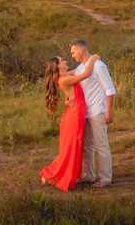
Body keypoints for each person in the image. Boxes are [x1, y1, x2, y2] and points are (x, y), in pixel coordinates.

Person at [39, 53, 99, 191]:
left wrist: (87, 59)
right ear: (59, 66)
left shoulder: (67, 76)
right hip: (74, 116)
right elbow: (84, 75)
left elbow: (80, 70)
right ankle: (48, 173)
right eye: (62, 61)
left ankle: (65, 174)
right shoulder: (63, 80)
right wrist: (94, 58)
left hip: (77, 113)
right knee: (70, 148)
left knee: (75, 146)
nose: (65, 61)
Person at [68, 39, 116, 187]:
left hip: (97, 111)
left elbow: (109, 89)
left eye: (73, 52)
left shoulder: (98, 66)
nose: (72, 56)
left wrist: (109, 110)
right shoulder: (81, 68)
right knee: (86, 145)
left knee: (101, 145)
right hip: (85, 113)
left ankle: (105, 178)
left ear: (81, 50)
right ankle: (89, 175)